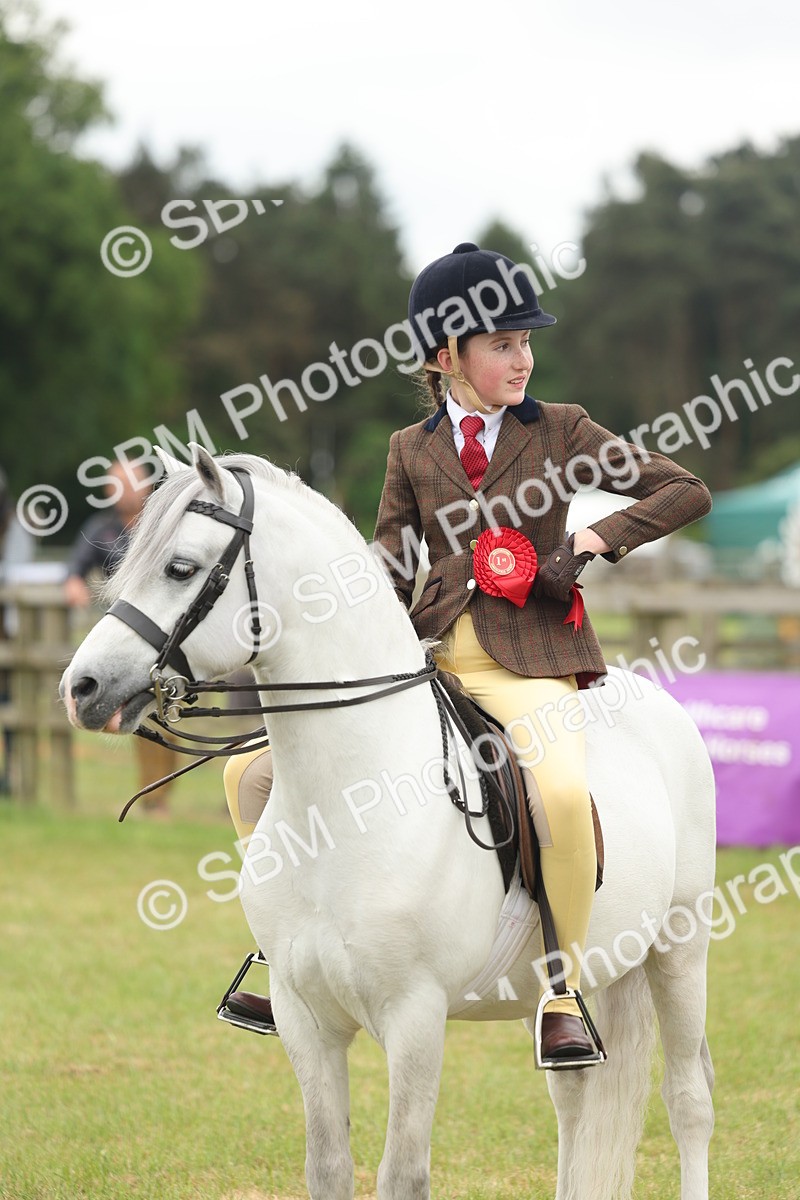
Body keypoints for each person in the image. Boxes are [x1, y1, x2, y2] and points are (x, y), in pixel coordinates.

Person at [221, 243, 712, 1060]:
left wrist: (589, 536)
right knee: (252, 774)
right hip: (435, 662)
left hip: (532, 664)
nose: (524, 358)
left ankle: (563, 989)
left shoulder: (561, 430)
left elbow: (683, 488)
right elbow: (386, 562)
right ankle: (283, 946)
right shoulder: (409, 450)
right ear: (446, 357)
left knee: (557, 793)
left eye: (526, 342)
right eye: (503, 343)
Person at [64, 461, 179, 811]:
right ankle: (153, 799)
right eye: (115, 484)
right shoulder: (101, 531)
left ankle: (161, 795)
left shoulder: (165, 527)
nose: (123, 491)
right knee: (141, 712)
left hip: (168, 635)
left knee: (172, 715)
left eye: (128, 483)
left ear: (145, 486)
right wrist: (73, 584)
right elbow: (74, 569)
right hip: (124, 642)